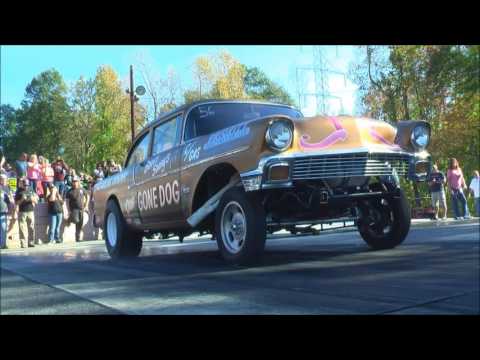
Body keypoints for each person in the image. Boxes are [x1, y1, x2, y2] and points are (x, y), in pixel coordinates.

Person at [15, 178, 39, 248]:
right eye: (25, 185)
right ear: (22, 184)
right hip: (22, 212)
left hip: (30, 211)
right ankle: (23, 243)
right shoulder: (18, 191)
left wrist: (33, 199)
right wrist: (22, 199)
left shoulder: (31, 189)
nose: (26, 186)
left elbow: (36, 199)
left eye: (27, 185)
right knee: (22, 228)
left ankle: (31, 242)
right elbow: (16, 203)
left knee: (31, 227)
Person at [66, 176, 88, 242]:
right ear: (72, 183)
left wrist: (86, 205)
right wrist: (68, 210)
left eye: (76, 181)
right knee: (76, 220)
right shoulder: (69, 191)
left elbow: (87, 196)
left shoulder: (82, 189)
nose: (74, 183)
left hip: (81, 209)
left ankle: (78, 238)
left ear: (78, 182)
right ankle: (70, 219)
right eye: (73, 182)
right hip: (74, 209)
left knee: (80, 224)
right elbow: (67, 201)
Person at [0, 174, 13, 249]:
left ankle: (3, 244)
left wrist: (10, 210)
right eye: (3, 179)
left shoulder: (7, 188)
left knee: (3, 229)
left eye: (6, 179)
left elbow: (9, 201)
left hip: (3, 211)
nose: (5, 180)